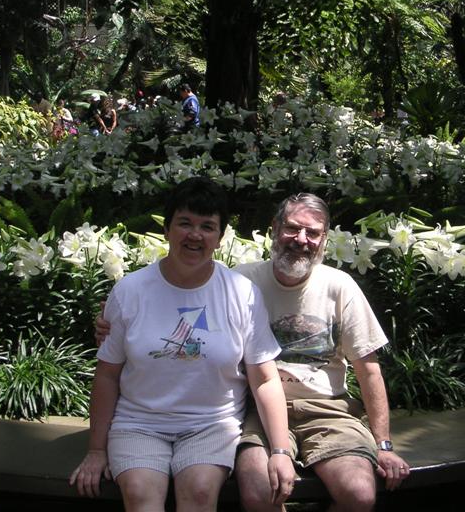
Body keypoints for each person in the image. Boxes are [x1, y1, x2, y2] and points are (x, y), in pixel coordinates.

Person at [95, 193, 410, 511]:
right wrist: (111, 324)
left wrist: (383, 444)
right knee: (260, 492)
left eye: (312, 232)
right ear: (274, 229)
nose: (301, 240)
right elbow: (187, 296)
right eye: (292, 228)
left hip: (327, 410)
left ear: (324, 239)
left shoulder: (339, 286)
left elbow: (368, 368)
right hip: (257, 411)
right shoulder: (241, 281)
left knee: (359, 494)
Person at [71, 177, 294, 512]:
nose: (195, 235)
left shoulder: (240, 293)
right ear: (167, 229)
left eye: (207, 226)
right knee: (140, 494)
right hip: (140, 422)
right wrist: (96, 450)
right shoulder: (131, 291)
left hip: (212, 423)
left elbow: (264, 378)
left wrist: (280, 452)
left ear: (219, 238)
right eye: (185, 223)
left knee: (200, 492)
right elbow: (107, 375)